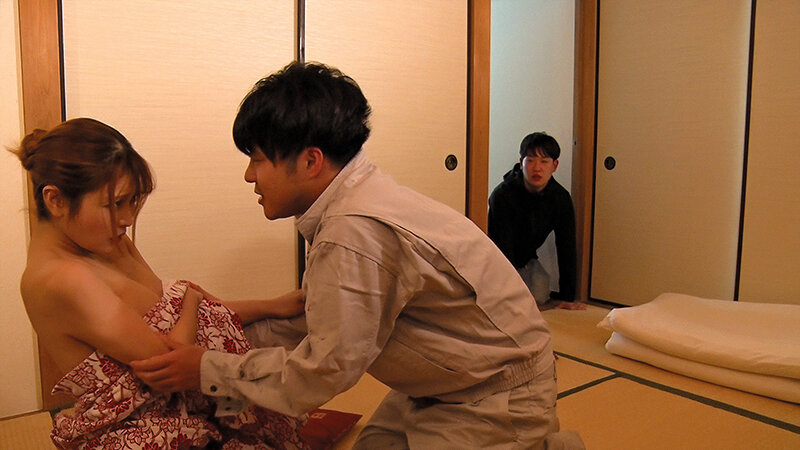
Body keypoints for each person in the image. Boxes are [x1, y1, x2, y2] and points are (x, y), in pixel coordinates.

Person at [132, 62, 584, 449]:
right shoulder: (358, 196)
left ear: (311, 161)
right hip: (437, 380)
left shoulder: (353, 232)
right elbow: (328, 319)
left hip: (495, 392)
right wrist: (226, 335)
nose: (250, 176)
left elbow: (324, 371)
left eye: (258, 159)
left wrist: (205, 367)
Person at [14, 117, 309, 449]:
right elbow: (169, 360)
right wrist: (192, 299)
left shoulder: (107, 242)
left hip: (203, 398)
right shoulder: (62, 279)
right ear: (55, 200)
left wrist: (273, 305)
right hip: (148, 426)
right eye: (114, 204)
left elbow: (179, 312)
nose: (127, 219)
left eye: (131, 202)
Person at [488, 132, 583, 310]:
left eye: (544, 161)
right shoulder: (502, 195)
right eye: (530, 160)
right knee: (508, 303)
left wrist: (567, 297)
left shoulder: (560, 198)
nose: (537, 168)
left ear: (555, 165)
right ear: (521, 162)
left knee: (539, 297)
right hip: (497, 261)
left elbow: (566, 247)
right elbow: (502, 247)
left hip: (527, 260)